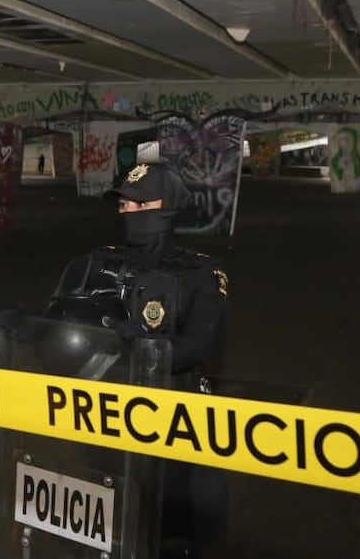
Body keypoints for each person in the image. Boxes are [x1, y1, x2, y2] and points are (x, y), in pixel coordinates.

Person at [44, 162, 230, 557]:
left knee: (171, 523)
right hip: (111, 412)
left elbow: (199, 347)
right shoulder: (103, 260)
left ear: (166, 209)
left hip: (174, 418)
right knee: (109, 515)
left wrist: (147, 346)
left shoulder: (201, 273)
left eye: (138, 203)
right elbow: (69, 324)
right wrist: (27, 327)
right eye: (123, 204)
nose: (126, 211)